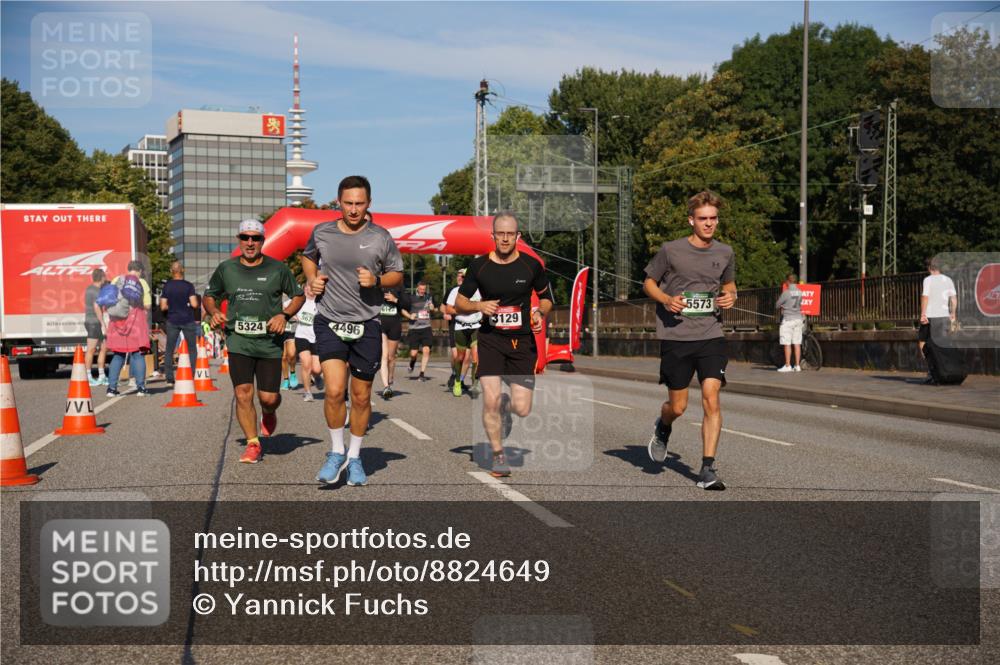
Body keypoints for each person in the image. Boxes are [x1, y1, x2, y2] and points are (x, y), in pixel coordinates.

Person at [303, 175, 404, 487]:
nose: (354, 209)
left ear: (369, 204)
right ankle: (336, 452)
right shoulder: (322, 232)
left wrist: (376, 281)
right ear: (338, 201)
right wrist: (312, 279)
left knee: (360, 398)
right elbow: (308, 258)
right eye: (348, 203)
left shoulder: (380, 237)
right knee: (334, 390)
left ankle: (355, 457)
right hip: (330, 319)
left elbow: (396, 275)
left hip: (367, 324)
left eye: (360, 203)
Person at [642, 190, 736, 490]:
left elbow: (730, 284)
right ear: (691, 221)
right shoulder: (671, 250)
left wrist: (730, 296)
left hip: (711, 334)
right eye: (703, 219)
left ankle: (707, 468)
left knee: (711, 396)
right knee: (678, 406)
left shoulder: (725, 252)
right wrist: (667, 299)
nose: (709, 224)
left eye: (713, 219)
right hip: (676, 336)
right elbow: (648, 283)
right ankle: (664, 424)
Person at [455, 212, 552, 478]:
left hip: (522, 342)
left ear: (518, 237)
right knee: (490, 399)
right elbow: (459, 304)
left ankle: (507, 409)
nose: (506, 239)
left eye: (511, 234)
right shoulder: (479, 266)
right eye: (501, 234)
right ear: (493, 236)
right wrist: (478, 305)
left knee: (522, 408)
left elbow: (546, 299)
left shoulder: (532, 266)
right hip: (490, 339)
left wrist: (538, 313)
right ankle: (498, 455)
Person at [203, 219, 304, 464]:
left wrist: (285, 314)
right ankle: (252, 443)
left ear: (263, 240)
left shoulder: (277, 269)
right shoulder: (227, 269)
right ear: (239, 239)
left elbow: (299, 295)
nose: (250, 242)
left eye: (255, 238)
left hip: (269, 341)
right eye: (245, 237)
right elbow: (209, 295)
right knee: (243, 393)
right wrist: (214, 311)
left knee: (268, 398)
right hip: (238, 340)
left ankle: (269, 413)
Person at [105, 260, 152, 397]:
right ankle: (141, 388)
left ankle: (111, 389)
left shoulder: (116, 279)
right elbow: (148, 305)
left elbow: (108, 299)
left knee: (118, 355)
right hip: (135, 321)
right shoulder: (142, 282)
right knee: (137, 354)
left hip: (117, 322)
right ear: (140, 271)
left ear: (128, 269)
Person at [160, 261, 200, 385]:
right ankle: (191, 375)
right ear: (182, 270)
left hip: (172, 320)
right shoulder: (188, 286)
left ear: (171, 271)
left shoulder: (167, 286)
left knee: (170, 349)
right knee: (192, 349)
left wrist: (172, 307)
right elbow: (194, 304)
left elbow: (162, 307)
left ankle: (170, 378)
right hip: (187, 320)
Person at [919, 256, 958, 381]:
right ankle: (944, 371)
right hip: (944, 317)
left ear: (929, 267)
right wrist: (953, 314)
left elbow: (925, 297)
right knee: (942, 344)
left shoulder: (928, 280)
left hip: (930, 316)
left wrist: (923, 314)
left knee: (923, 343)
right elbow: (953, 299)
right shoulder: (948, 280)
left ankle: (931, 370)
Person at [445, 268, 481, 396]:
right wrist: (464, 310)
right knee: (460, 357)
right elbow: (448, 309)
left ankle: (475, 384)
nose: (465, 280)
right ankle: (457, 382)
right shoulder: (456, 291)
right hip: (460, 327)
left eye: (468, 277)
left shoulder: (479, 291)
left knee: (476, 357)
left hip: (475, 327)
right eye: (464, 277)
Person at [378, 285, 411, 400]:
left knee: (391, 357)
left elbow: (407, 305)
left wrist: (395, 300)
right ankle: (386, 385)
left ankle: (390, 376)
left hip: (394, 325)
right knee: (384, 356)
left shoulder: (399, 288)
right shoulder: (377, 285)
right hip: (380, 324)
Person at [294, 292, 324, 402]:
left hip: (316, 338)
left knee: (317, 369)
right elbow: (284, 306)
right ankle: (307, 392)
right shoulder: (300, 300)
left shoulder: (321, 302)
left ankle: (316, 376)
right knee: (306, 364)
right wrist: (293, 315)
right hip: (301, 336)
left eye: (311, 288)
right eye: (307, 287)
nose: (309, 290)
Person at [405, 281, 436, 381]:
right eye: (421, 289)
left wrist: (432, 308)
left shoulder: (429, 297)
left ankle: (422, 374)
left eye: (424, 289)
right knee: (413, 354)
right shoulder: (411, 298)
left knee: (426, 351)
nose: (423, 291)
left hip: (426, 327)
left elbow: (435, 309)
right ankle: (412, 362)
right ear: (417, 288)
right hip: (414, 328)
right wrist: (410, 316)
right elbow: (402, 309)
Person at [84, 268, 109, 386]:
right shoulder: (96, 291)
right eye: (105, 277)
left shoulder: (90, 288)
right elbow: (97, 307)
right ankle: (88, 377)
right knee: (91, 349)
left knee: (104, 348)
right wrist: (103, 323)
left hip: (93, 322)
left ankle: (102, 375)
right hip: (94, 322)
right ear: (102, 278)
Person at [775, 273, 803, 372]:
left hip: (788, 319)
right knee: (797, 343)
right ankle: (797, 365)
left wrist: (784, 306)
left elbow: (777, 305)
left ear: (788, 281)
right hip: (798, 319)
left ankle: (787, 365)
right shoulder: (800, 292)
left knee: (787, 343)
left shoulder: (786, 292)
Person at [280, 297, 300, 391]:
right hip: (281, 327)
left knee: (291, 354)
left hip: (292, 326)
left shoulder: (295, 294)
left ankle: (292, 373)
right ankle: (286, 380)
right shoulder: (278, 294)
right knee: (283, 357)